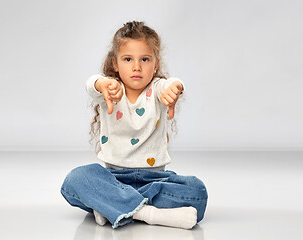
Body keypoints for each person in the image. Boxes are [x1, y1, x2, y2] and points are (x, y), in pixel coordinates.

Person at [61, 21, 208, 229]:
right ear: (115, 64)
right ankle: (147, 213)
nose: (136, 67)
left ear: (155, 65)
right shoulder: (110, 90)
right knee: (75, 180)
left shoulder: (157, 89)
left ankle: (111, 205)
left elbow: (171, 84)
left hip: (155, 181)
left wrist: (176, 87)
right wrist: (101, 84)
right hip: (114, 178)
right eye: (128, 59)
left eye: (145, 59)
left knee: (198, 192)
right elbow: (91, 84)